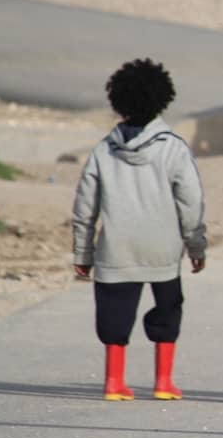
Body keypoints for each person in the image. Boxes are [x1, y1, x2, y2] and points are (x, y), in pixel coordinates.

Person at [72, 59, 206, 402]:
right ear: (164, 98)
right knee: (168, 310)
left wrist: (83, 253)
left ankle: (114, 382)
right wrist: (196, 245)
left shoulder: (104, 150)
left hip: (116, 249)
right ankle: (163, 382)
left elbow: (85, 207)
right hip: (162, 249)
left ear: (118, 100)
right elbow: (191, 202)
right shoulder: (173, 147)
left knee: (114, 315)